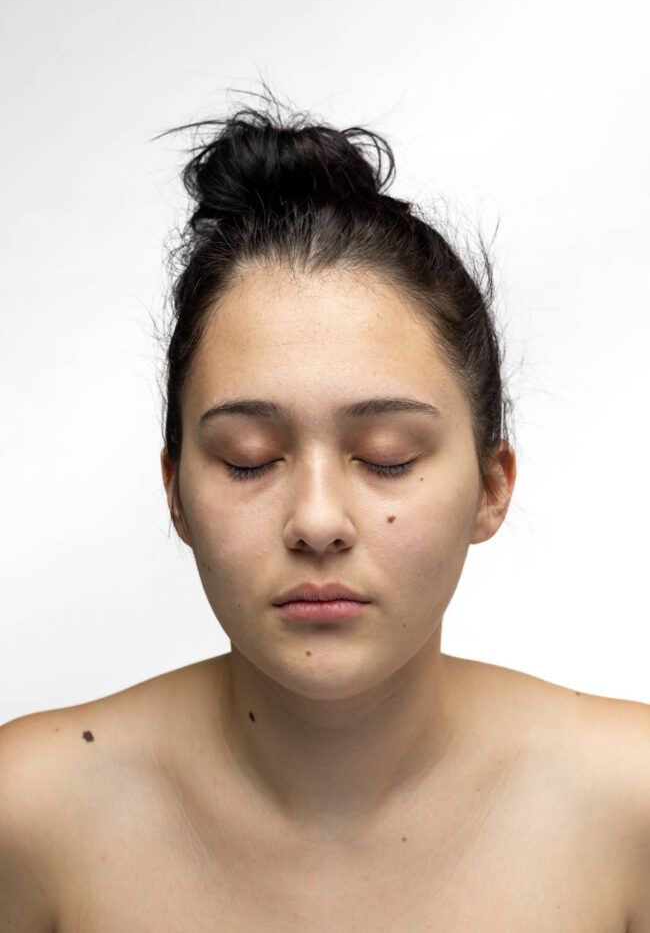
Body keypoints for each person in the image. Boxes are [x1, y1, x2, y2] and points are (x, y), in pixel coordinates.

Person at [2, 96, 649, 931]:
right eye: (248, 460)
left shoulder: (631, 806)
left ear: (492, 485)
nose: (315, 520)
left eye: (387, 457)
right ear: (176, 492)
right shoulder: (31, 817)